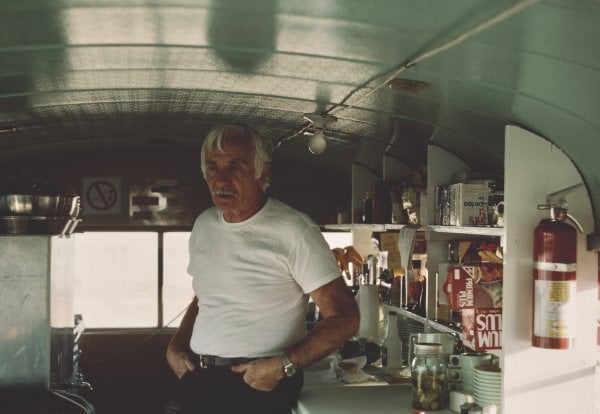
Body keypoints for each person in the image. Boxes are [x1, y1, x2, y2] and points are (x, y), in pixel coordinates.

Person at [166, 123, 360, 414]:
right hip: (200, 378)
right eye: (213, 167)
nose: (221, 180)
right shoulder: (204, 225)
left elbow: (345, 317)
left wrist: (283, 365)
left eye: (236, 167)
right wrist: (176, 345)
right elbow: (203, 298)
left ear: (262, 173)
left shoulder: (294, 230)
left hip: (260, 384)